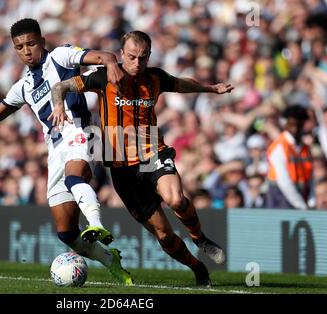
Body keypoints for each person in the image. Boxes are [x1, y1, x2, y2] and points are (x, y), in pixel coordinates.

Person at [0, 18, 133, 285]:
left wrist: (112, 63)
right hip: (56, 152)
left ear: (42, 42)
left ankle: (97, 225)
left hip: (82, 132)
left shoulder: (61, 56)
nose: (27, 50)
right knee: (66, 234)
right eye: (20, 47)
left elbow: (103, 56)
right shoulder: (23, 87)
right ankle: (111, 260)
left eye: (31, 43)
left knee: (74, 177)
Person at [51, 31, 234, 286]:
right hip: (121, 167)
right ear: (122, 54)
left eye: (143, 58)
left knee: (176, 199)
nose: (138, 63)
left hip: (151, 152)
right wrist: (58, 104)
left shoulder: (155, 78)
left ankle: (200, 238)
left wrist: (211, 89)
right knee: (164, 235)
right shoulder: (103, 76)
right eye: (132, 57)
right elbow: (61, 86)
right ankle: (197, 268)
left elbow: (181, 84)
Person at [266, 105, 313, 209]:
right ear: (285, 124)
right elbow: (284, 182)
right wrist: (301, 206)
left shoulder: (305, 149)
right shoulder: (279, 147)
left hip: (301, 197)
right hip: (281, 199)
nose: (295, 129)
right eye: (292, 124)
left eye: (299, 125)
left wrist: (310, 201)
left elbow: (310, 177)